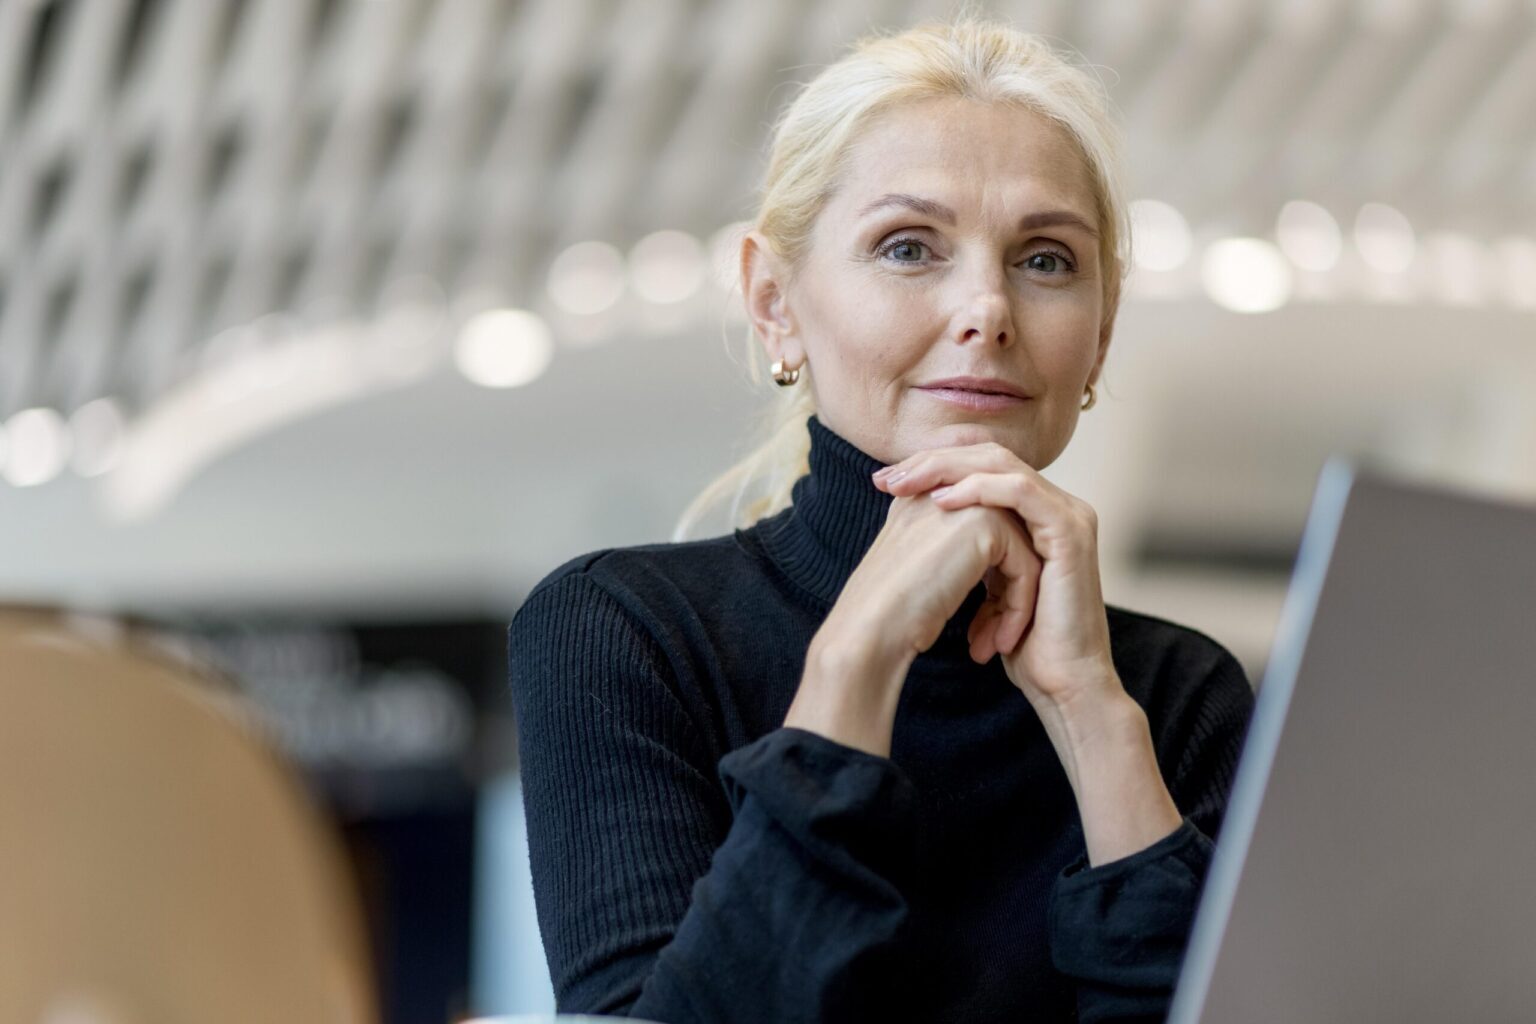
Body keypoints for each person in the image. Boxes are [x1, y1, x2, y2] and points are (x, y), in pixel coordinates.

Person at [507, 14, 1255, 1024]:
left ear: (1103, 330)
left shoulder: (1178, 693)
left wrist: (1093, 711)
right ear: (775, 302)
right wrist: (854, 664)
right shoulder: (624, 632)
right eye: (909, 246)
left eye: (1045, 260)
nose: (987, 306)